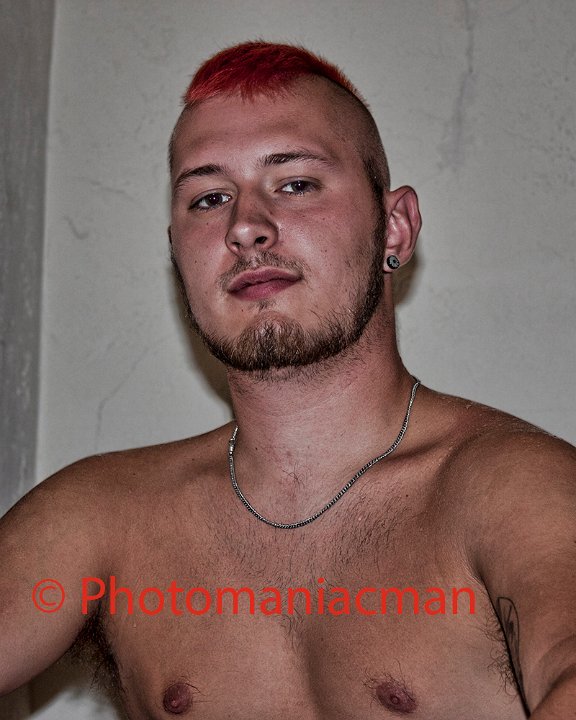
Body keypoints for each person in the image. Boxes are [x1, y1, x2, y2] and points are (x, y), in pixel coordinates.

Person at [1, 41, 575, 719]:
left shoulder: (514, 488)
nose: (245, 227)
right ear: (176, 253)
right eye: (209, 198)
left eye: (296, 184)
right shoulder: (104, 514)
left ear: (395, 229)